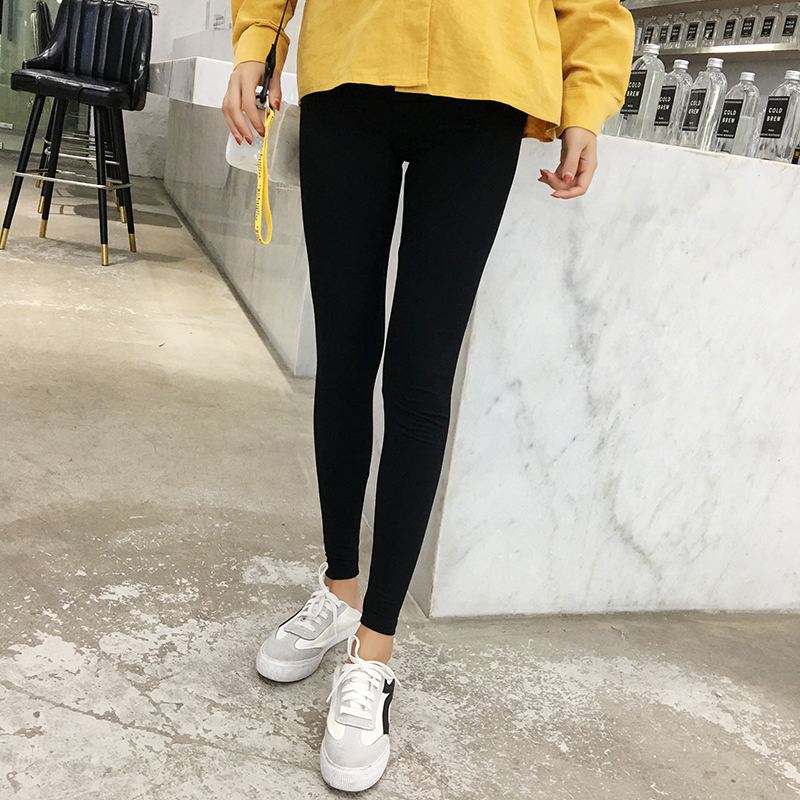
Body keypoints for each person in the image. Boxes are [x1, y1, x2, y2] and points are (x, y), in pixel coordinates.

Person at [223, 0, 634, 791]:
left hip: (486, 80)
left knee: (419, 374)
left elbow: (593, 7)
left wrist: (585, 101)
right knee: (344, 355)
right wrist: (256, 40)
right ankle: (339, 590)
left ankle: (373, 650)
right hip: (351, 61)